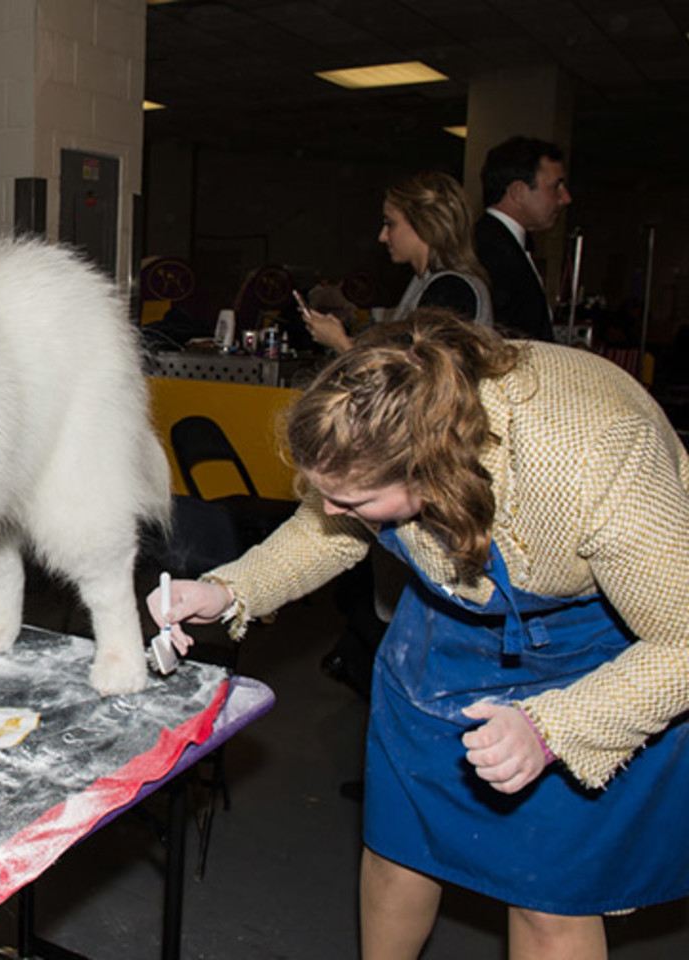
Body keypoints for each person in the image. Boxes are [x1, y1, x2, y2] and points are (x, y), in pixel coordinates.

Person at [150, 309, 689, 959]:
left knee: (547, 894)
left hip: (588, 652)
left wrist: (553, 727)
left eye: (352, 501)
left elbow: (682, 641)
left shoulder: (595, 452)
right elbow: (326, 528)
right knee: (398, 851)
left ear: (431, 475)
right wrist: (231, 590)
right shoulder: (384, 416)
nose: (331, 510)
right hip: (440, 643)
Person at [305, 171, 491, 353]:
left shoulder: (451, 288)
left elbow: (421, 375)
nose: (382, 236)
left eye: (390, 223)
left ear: (424, 223)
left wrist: (340, 343)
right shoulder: (429, 282)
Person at [475, 136, 572, 342]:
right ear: (518, 192)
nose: (565, 198)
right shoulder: (489, 251)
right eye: (556, 187)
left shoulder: (505, 244)